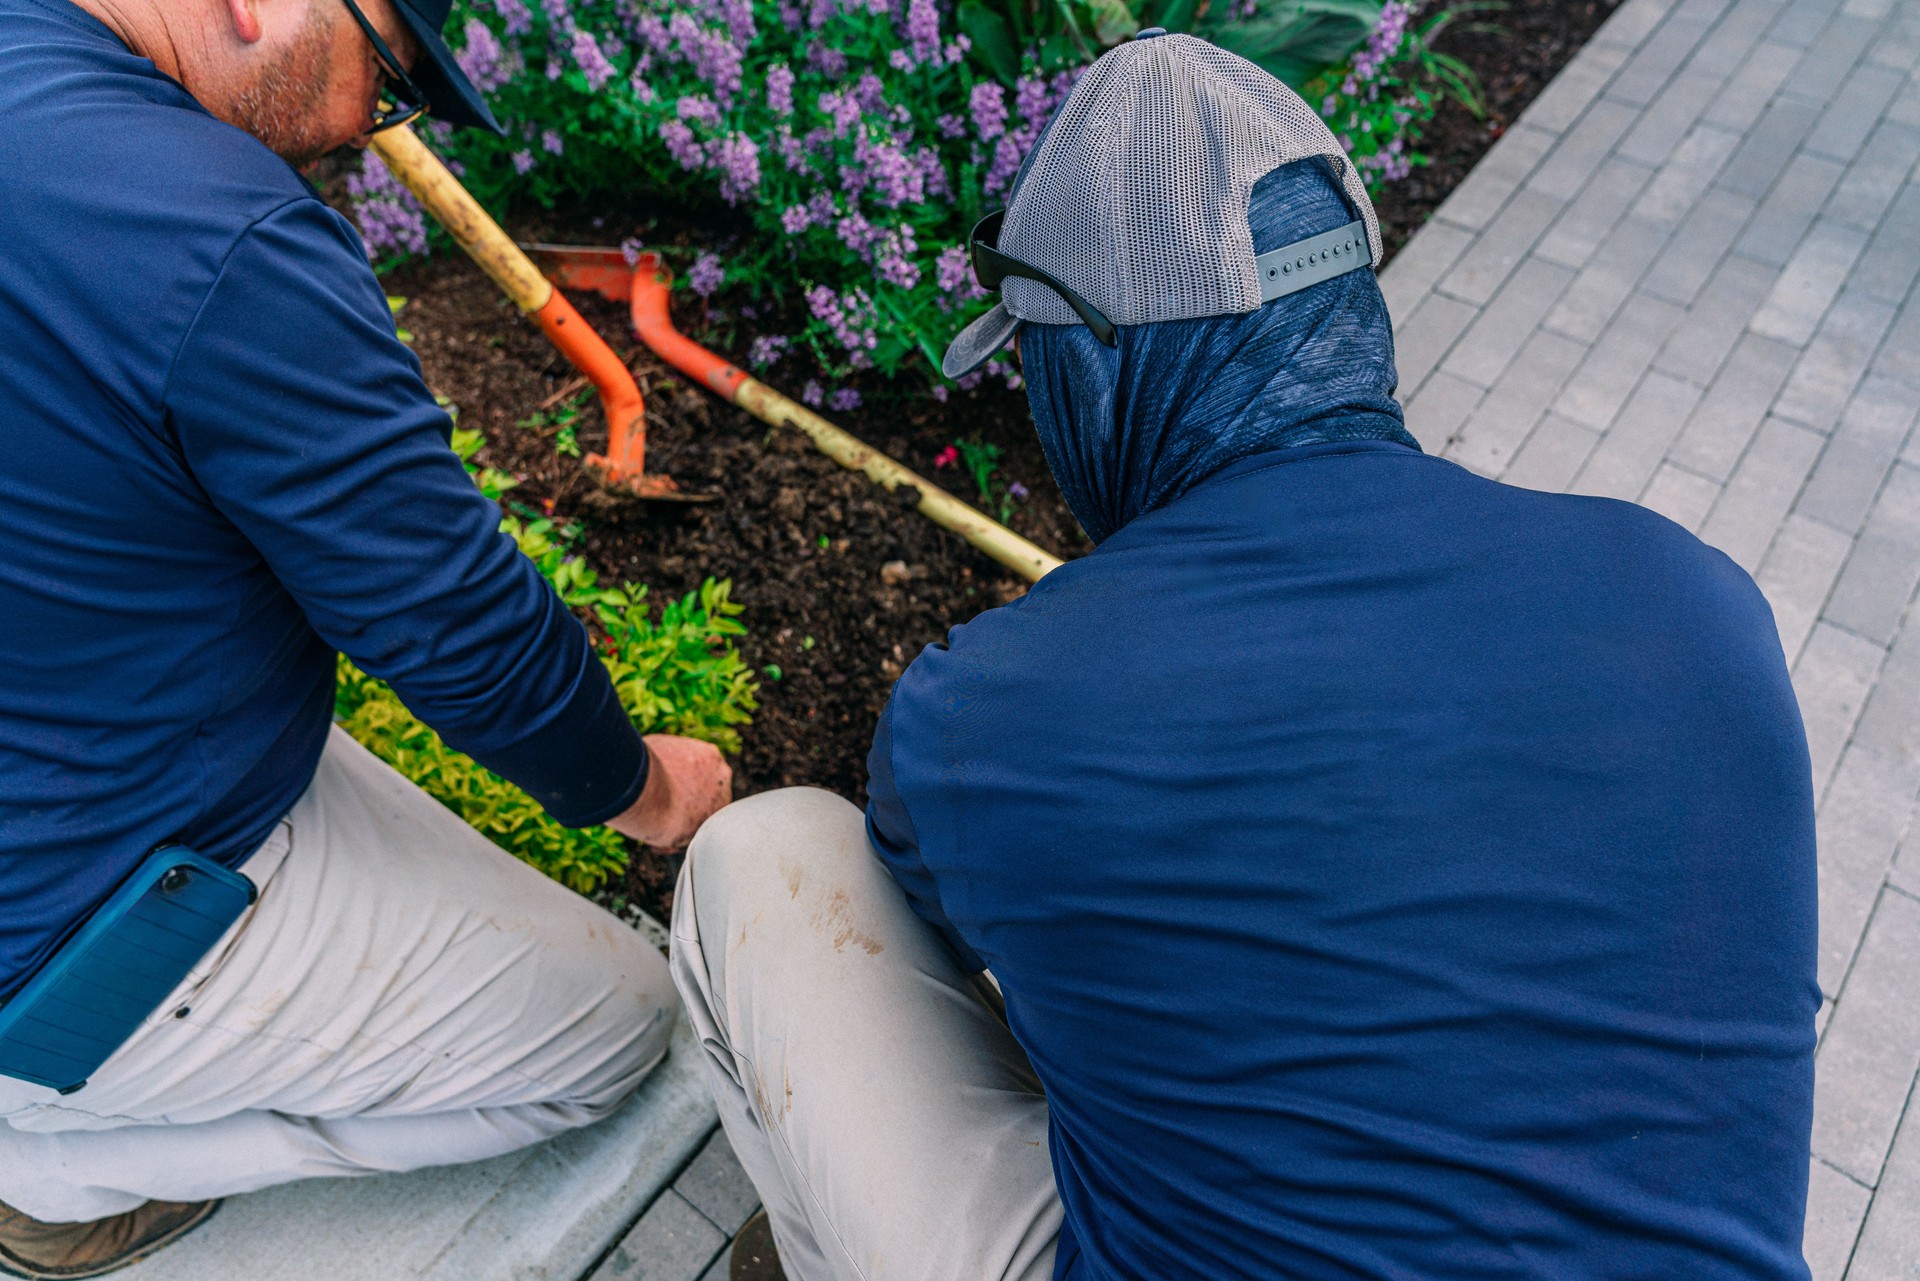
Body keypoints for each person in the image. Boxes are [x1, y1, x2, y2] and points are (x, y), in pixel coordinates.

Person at [670, 31, 1820, 1281]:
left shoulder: (993, 712)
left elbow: (944, 931)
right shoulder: (1697, 601)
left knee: (771, 856)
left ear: (1093, 371)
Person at [0, 0, 731, 1271]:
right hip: (59, 902)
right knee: (616, 1037)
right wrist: (650, 792)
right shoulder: (220, 233)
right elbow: (457, 623)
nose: (364, 131)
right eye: (388, 76)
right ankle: (48, 1169)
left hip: (64, 722)